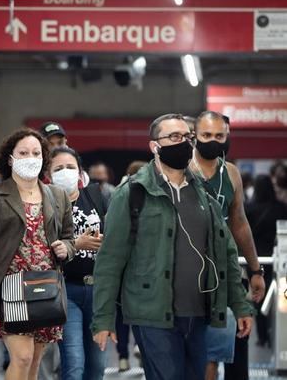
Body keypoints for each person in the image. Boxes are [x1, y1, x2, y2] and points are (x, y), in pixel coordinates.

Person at [91, 113, 254, 380]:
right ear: (154, 146)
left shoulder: (204, 192)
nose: (184, 143)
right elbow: (110, 260)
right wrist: (103, 318)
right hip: (151, 313)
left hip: (200, 311)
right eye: (174, 137)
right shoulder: (133, 193)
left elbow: (226, 253)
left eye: (188, 137)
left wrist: (240, 305)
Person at [0, 128, 76, 380]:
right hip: (10, 289)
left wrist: (67, 248)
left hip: (46, 288)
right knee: (21, 357)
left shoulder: (58, 196)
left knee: (34, 361)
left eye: (36, 152)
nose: (30, 157)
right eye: (23, 152)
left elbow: (68, 237)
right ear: (10, 158)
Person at [190, 110, 264, 380]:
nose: (213, 140)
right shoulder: (181, 169)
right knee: (188, 350)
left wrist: (255, 270)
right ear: (194, 137)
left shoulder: (231, 173)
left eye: (219, 135)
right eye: (206, 135)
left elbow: (240, 223)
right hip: (183, 273)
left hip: (221, 271)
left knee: (214, 351)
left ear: (228, 136)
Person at [49, 147, 108, 380]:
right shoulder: (47, 204)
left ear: (80, 172)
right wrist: (77, 243)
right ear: (49, 175)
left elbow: (112, 233)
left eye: (71, 167)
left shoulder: (94, 195)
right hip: (66, 289)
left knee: (97, 365)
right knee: (74, 363)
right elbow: (44, 247)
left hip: (98, 290)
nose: (66, 172)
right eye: (59, 168)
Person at [245, 174, 287, 347]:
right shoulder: (281, 208)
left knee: (258, 297)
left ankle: (262, 336)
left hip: (254, 259)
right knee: (278, 297)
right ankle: (276, 334)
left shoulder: (249, 208)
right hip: (279, 257)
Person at [115, 160, 147, 372]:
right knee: (143, 311)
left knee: (121, 315)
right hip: (143, 265)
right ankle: (141, 347)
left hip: (122, 265)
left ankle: (123, 357)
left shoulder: (117, 194)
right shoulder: (150, 193)